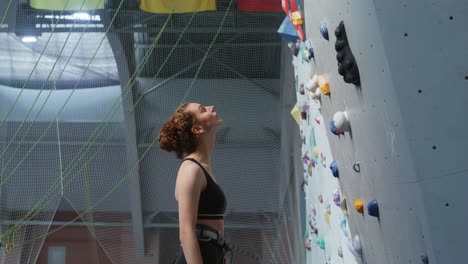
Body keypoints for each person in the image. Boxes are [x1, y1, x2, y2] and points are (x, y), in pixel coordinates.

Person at [158, 102, 231, 264]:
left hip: (212, 251)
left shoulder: (203, 168)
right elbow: (186, 233)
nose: (212, 107)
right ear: (197, 129)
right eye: (203, 110)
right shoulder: (191, 169)